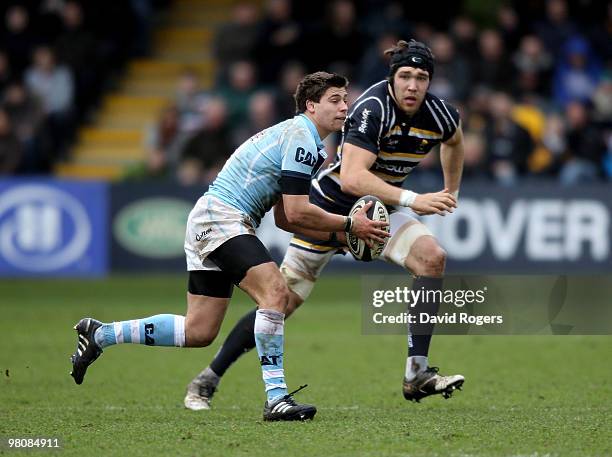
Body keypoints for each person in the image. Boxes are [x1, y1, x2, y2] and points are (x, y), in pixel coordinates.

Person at [69, 72, 388, 422]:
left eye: (345, 99)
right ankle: (277, 398)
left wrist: (341, 236)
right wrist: (347, 223)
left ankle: (101, 334)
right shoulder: (301, 137)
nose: (345, 106)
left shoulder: (307, 143)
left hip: (212, 219)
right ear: (311, 106)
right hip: (221, 218)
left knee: (199, 331)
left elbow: (285, 219)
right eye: (335, 100)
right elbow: (296, 211)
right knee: (276, 294)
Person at [185, 39, 466, 410]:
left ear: (431, 81)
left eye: (421, 77)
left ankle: (417, 372)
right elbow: (351, 179)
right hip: (329, 208)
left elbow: (455, 141)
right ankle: (209, 376)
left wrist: (451, 189)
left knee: (432, 259)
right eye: (405, 76)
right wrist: (416, 200)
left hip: (379, 212)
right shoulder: (371, 107)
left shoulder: (441, 114)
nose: (412, 85)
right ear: (392, 77)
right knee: (280, 301)